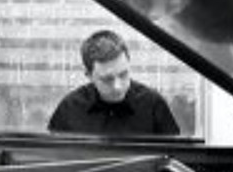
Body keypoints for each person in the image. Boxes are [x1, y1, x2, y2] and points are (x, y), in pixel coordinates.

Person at [48, 30, 180, 136]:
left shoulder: (154, 105)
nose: (118, 86)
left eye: (123, 74)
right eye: (107, 79)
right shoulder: (69, 108)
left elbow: (176, 160)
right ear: (89, 76)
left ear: (129, 63)